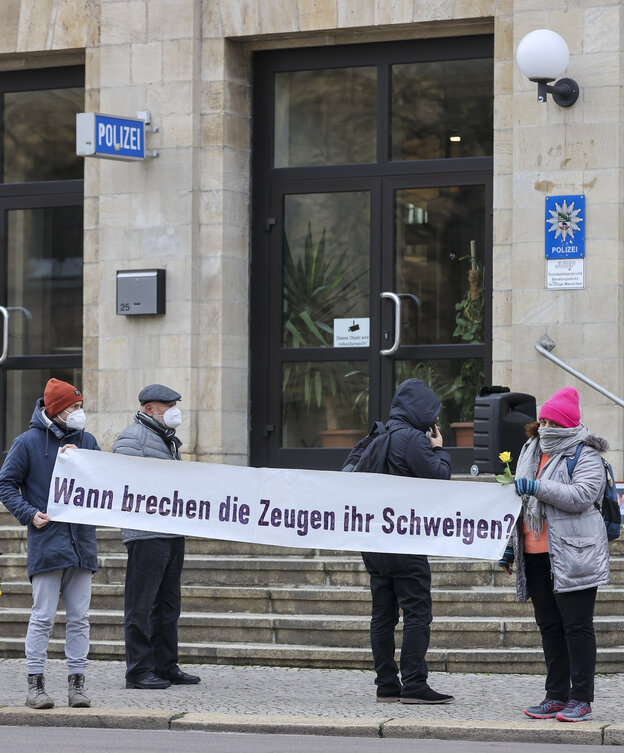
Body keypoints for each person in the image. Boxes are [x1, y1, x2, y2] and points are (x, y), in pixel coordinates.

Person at [498, 386, 609, 722]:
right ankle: (556, 695)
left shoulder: (586, 455)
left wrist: (537, 486)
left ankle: (581, 699)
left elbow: (582, 495)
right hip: (534, 553)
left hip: (573, 554)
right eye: (542, 421)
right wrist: (507, 548)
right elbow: (516, 503)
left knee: (576, 626)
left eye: (552, 423)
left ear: (568, 426)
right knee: (549, 627)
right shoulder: (530, 450)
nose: (544, 428)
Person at [344, 378, 454, 704]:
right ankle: (416, 685)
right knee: (417, 612)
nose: (434, 420)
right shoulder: (412, 440)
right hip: (404, 541)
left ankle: (386, 686)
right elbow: (439, 478)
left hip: (373, 542)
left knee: (382, 614)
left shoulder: (375, 437)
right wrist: (440, 449)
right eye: (432, 413)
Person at [0, 378, 99, 709]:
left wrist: (84, 459)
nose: (79, 412)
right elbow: (6, 484)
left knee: (79, 617)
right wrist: (29, 514)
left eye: (80, 406)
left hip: (81, 543)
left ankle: (77, 685)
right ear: (56, 410)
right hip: (47, 542)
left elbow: (104, 482)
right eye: (73, 407)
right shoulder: (27, 443)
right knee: (43, 616)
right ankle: (35, 686)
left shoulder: (87, 440)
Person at [113, 383, 200, 689]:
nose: (175, 411)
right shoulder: (131, 438)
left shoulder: (169, 441)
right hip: (145, 534)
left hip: (172, 531)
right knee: (141, 605)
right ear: (149, 409)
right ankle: (138, 670)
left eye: (176, 404)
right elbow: (123, 481)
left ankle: (165, 665)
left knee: (168, 605)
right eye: (168, 406)